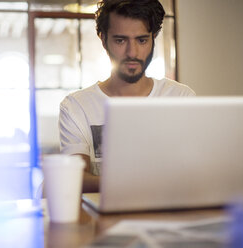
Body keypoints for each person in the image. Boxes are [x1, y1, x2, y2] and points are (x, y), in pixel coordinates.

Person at [59, 0, 195, 193]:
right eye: (120, 40)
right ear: (103, 38)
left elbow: (195, 170)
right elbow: (75, 178)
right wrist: (138, 185)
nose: (132, 53)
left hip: (170, 214)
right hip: (104, 219)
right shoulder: (76, 107)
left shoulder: (181, 98)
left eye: (142, 40)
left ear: (153, 37)